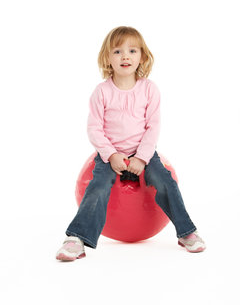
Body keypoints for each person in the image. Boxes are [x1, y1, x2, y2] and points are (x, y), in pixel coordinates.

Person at [56, 26, 206, 261]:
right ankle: (76, 238)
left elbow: (152, 127)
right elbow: (94, 128)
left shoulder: (149, 89)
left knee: (165, 181)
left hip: (142, 153)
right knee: (98, 186)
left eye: (132, 50)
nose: (125, 56)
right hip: (110, 155)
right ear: (107, 58)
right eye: (117, 51)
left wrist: (142, 158)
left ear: (142, 57)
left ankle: (186, 232)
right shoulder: (101, 92)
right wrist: (111, 155)